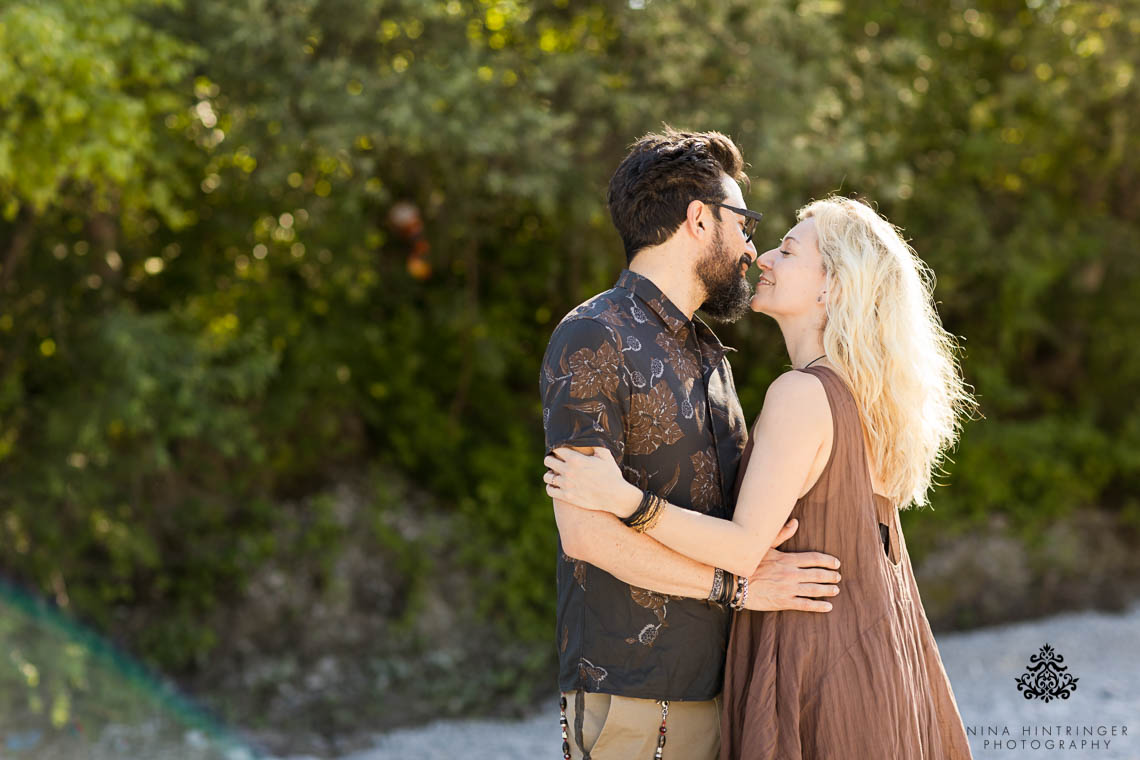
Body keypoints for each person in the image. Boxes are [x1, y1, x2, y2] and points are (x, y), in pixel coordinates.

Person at [546, 196, 977, 759]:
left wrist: (627, 500)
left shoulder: (802, 393)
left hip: (818, 665)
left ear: (833, 287)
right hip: (879, 655)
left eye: (788, 249)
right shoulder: (866, 396)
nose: (763, 255)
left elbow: (746, 547)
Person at [538, 129, 843, 760]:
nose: (752, 247)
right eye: (745, 222)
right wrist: (736, 588)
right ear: (699, 219)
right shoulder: (593, 334)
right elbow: (586, 534)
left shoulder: (708, 353)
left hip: (728, 685)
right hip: (633, 692)